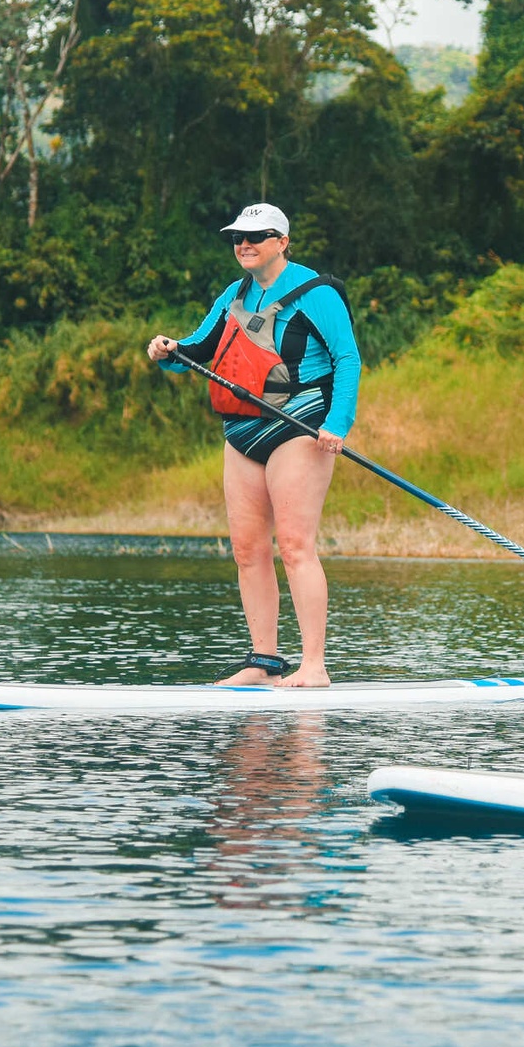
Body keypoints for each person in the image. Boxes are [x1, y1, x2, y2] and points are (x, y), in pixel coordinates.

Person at [147, 203, 362, 687]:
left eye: (257, 236)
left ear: (282, 242)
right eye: (238, 237)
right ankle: (263, 663)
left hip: (300, 426)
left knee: (294, 545)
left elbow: (348, 360)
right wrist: (167, 350)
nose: (244, 244)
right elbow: (199, 351)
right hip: (241, 432)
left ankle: (314, 666)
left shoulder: (318, 292)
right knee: (247, 549)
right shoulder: (234, 293)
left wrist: (337, 423)